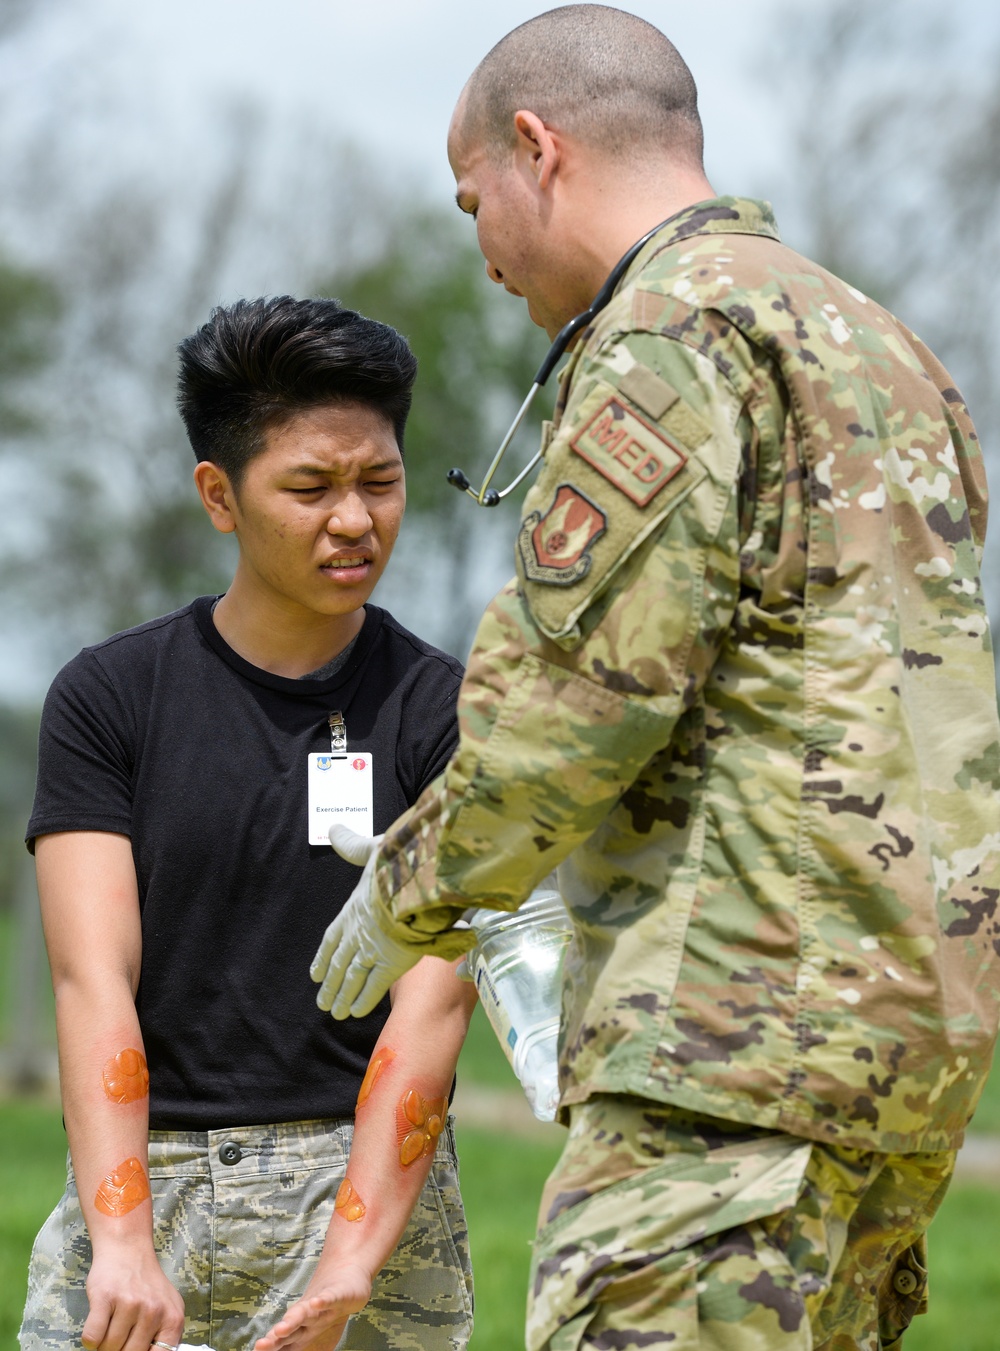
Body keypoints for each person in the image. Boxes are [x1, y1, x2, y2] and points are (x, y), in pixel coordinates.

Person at [306, 6, 1000, 1350]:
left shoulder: (669, 340)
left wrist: (415, 890)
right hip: (906, 1047)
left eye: (472, 204)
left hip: (728, 1052)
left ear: (536, 148)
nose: (486, 251)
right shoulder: (888, 350)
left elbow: (581, 707)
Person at [20, 295, 477, 1351]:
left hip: (370, 1210)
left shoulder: (449, 714)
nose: (355, 520)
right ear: (218, 496)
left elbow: (434, 1009)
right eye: (310, 488)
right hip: (144, 1190)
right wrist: (123, 1243)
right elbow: (95, 981)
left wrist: (350, 1270)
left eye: (381, 480)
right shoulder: (108, 698)